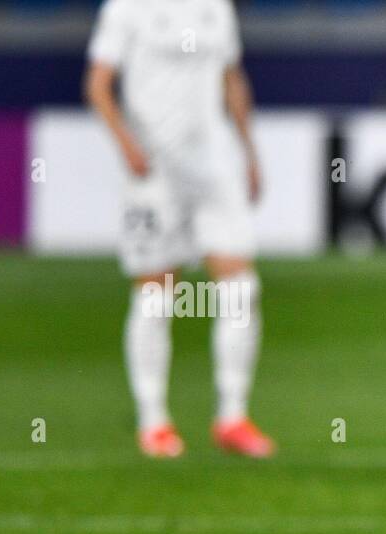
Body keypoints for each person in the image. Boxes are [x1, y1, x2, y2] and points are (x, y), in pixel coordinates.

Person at [86, 0, 274, 458]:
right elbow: (98, 85)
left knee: (240, 288)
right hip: (154, 172)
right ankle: (154, 421)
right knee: (156, 294)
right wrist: (126, 145)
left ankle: (232, 416)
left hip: (214, 166)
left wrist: (248, 151)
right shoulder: (127, 7)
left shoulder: (216, 7)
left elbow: (232, 79)